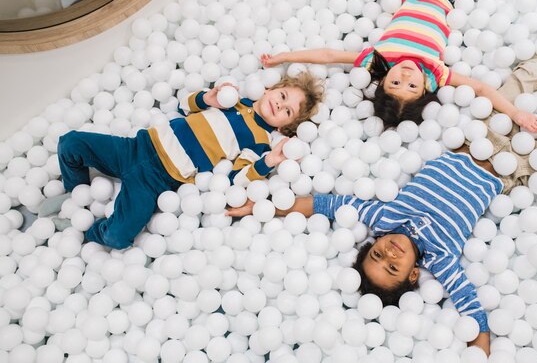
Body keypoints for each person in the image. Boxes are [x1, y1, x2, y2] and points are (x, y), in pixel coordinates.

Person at [226, 60, 537, 355]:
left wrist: (262, 208)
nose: (389, 253)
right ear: (415, 273)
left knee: (516, 85)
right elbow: (472, 309)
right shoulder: (443, 257)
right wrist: (480, 351)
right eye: (393, 266)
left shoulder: (384, 218)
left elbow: (326, 203)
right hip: (514, 168)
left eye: (377, 254)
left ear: (373, 242)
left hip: (477, 136)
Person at [39, 72, 324, 250]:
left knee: (119, 236)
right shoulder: (236, 100)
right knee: (70, 143)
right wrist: (208, 98)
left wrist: (270, 161)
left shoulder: (259, 141)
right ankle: (73, 194)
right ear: (270, 89)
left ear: (284, 127)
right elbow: (183, 106)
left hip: (157, 179)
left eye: (287, 111)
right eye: (282, 96)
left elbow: (239, 178)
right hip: (137, 147)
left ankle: (84, 230)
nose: (279, 105)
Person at [259, 0, 533, 131]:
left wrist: (286, 56)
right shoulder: (435, 73)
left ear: (383, 80)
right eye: (411, 85)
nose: (405, 74)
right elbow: (482, 88)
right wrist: (515, 114)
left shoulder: (378, 60)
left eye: (395, 82)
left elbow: (329, 56)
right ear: (424, 88)